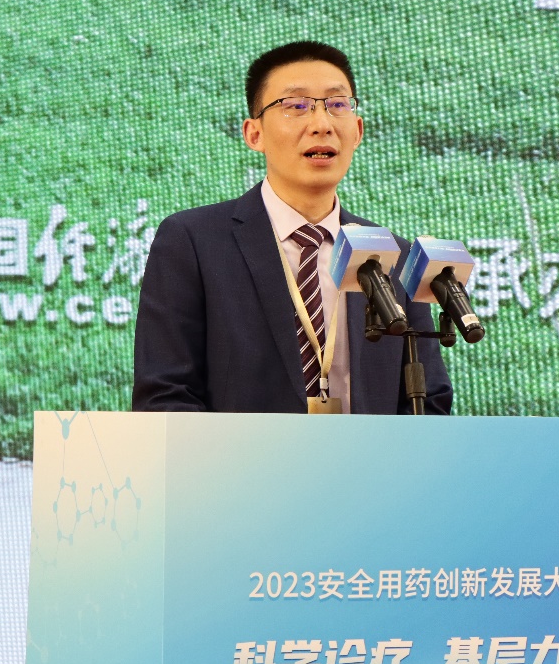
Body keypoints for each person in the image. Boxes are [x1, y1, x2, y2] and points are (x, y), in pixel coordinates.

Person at [131, 41, 452, 414]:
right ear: (254, 134)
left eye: (337, 105)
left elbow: (428, 402)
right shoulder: (194, 241)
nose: (321, 124)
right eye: (296, 106)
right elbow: (166, 395)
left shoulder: (394, 256)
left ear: (357, 131)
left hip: (368, 454)